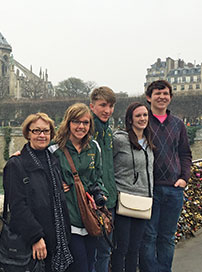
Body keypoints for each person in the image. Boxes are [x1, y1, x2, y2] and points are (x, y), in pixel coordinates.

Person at [0, 113, 73, 272]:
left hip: (57, 241)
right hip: (35, 243)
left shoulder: (53, 160)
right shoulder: (16, 165)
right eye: (36, 131)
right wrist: (36, 237)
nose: (42, 135)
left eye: (46, 131)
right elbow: (18, 207)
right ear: (27, 133)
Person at [139, 80, 192, 272]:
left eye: (165, 93)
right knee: (149, 236)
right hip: (149, 189)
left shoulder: (178, 124)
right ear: (148, 97)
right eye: (157, 93)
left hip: (173, 188)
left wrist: (184, 178)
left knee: (167, 237)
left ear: (170, 97)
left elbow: (185, 154)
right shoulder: (142, 121)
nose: (162, 97)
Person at [48, 103, 108, 272]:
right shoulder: (54, 148)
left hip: (89, 217)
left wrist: (101, 195)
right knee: (79, 265)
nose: (81, 126)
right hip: (68, 217)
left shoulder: (94, 147)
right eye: (76, 122)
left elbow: (98, 178)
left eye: (85, 122)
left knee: (90, 263)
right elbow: (37, 168)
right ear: (68, 123)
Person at [111, 102, 154, 272]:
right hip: (124, 199)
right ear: (130, 119)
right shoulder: (119, 140)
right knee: (121, 247)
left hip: (144, 200)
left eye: (145, 115)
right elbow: (106, 164)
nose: (143, 118)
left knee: (135, 248)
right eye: (138, 116)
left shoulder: (149, 140)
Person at [89, 86, 117, 272]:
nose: (108, 110)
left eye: (111, 106)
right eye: (103, 105)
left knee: (105, 251)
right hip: (93, 200)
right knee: (95, 252)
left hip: (109, 199)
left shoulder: (108, 130)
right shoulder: (87, 128)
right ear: (92, 106)